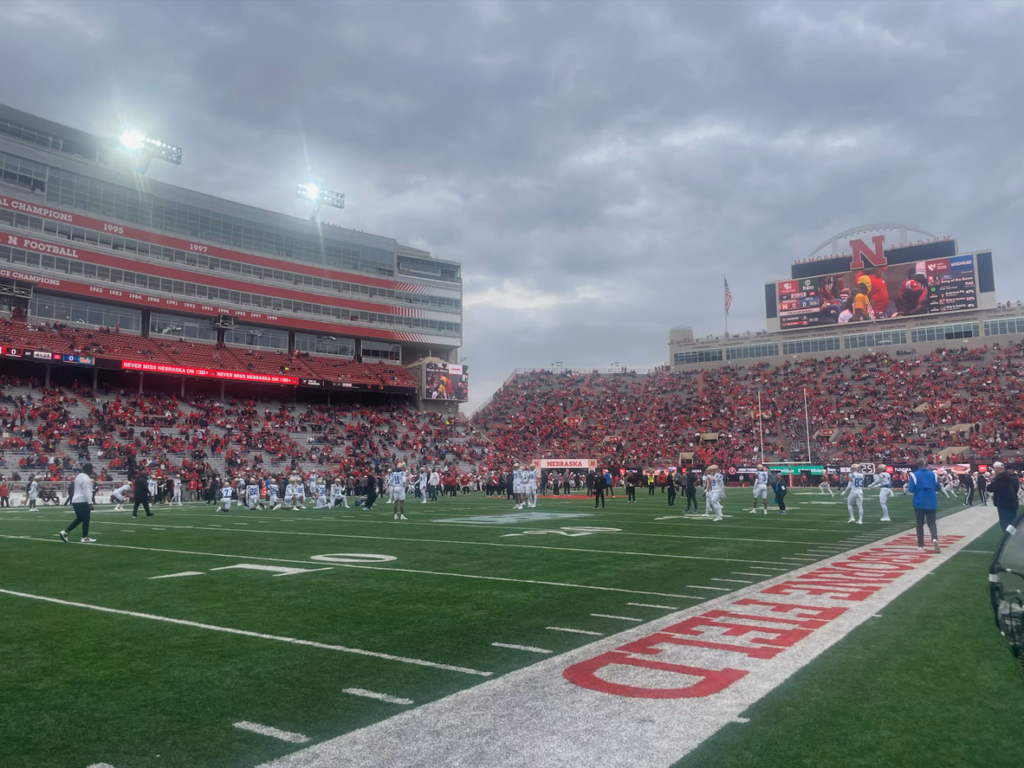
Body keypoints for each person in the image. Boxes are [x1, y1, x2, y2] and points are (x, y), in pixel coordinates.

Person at [906, 457, 941, 553]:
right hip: (931, 501)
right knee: (932, 523)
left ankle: (920, 545)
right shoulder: (933, 475)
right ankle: (934, 538)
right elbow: (938, 487)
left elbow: (910, 489)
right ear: (925, 464)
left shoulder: (913, 475)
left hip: (919, 502)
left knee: (919, 523)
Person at [59, 462, 96, 543]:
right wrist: (90, 503)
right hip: (83, 501)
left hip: (75, 500)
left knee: (80, 518)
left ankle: (65, 532)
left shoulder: (78, 476)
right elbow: (87, 492)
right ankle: (84, 537)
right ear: (89, 469)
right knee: (86, 519)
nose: (93, 471)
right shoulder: (87, 479)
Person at [989, 462, 1020, 533]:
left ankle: (1008, 540)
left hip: (1003, 503)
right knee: (1012, 522)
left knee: (1005, 523)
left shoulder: (1000, 477)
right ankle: (1015, 538)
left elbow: (990, 488)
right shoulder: (1014, 477)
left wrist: (994, 479)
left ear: (996, 469)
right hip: (1013, 502)